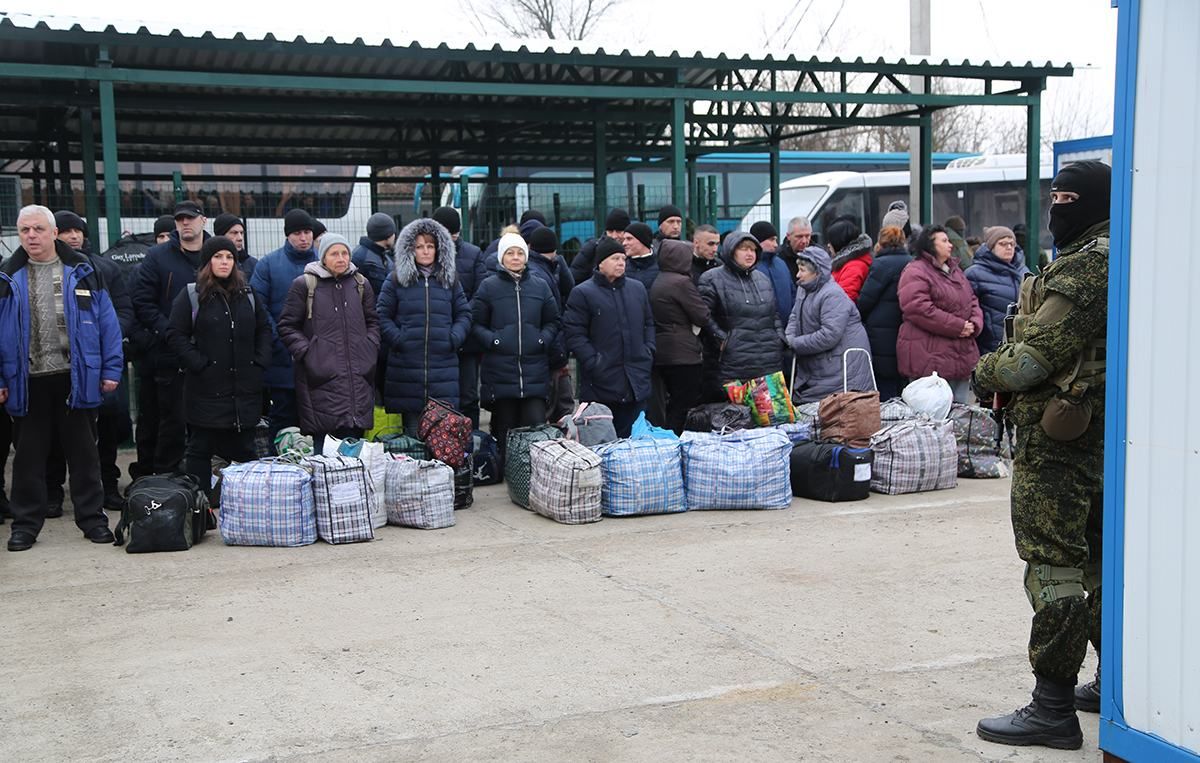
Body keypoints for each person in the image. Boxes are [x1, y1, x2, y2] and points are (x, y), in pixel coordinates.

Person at [973, 160, 1111, 751]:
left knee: (1053, 566)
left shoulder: (1087, 267)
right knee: (1100, 565)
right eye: (1053, 195)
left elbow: (1028, 361)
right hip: (1098, 437)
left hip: (1060, 445)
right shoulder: (1116, 252)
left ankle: (1052, 707)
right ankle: (1116, 679)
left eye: (1069, 196)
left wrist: (984, 371)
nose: (1057, 206)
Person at [0, 206, 123, 551]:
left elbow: (107, 325)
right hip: (27, 380)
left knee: (84, 456)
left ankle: (93, 521)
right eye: (24, 230)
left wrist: (111, 370)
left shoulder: (83, 272)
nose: (31, 236)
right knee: (27, 459)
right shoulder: (6, 277)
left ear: (54, 232)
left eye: (38, 229)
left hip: (75, 377)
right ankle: (25, 526)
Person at [165, 236, 272, 504]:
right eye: (218, 257)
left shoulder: (248, 295)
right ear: (207, 262)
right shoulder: (191, 295)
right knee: (200, 449)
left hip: (244, 390)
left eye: (229, 258)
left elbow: (264, 330)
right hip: (205, 390)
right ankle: (201, 508)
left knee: (246, 450)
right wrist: (198, 363)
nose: (224, 262)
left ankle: (246, 505)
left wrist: (259, 362)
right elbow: (175, 335)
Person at [54, 210, 135, 512]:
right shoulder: (48, 268)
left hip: (99, 362)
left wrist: (106, 337)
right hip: (57, 364)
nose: (74, 236)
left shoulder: (104, 268)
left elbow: (124, 310)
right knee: (56, 429)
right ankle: (54, 491)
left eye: (78, 230)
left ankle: (109, 485)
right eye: (66, 231)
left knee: (109, 426)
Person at [277, 234, 379, 453]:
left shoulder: (361, 284)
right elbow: (287, 325)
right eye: (334, 253)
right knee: (324, 450)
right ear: (323, 257)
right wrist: (309, 353)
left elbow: (373, 321)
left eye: (344, 253)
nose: (341, 258)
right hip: (321, 378)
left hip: (357, 377)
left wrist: (369, 348)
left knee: (354, 450)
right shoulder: (305, 285)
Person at [131, 200, 210, 474]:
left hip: (210, 353)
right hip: (169, 354)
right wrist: (169, 333)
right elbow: (143, 302)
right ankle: (166, 480)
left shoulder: (216, 253)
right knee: (171, 423)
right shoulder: (157, 256)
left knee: (208, 422)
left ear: (203, 220)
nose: (185, 223)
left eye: (190, 218)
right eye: (180, 219)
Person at [377, 219, 471, 436]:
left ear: (439, 249)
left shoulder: (449, 280)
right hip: (407, 369)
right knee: (413, 439)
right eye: (419, 246)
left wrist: (453, 337)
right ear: (410, 249)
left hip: (443, 368)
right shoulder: (396, 280)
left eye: (430, 246)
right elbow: (381, 315)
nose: (425, 251)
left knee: (442, 439)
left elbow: (464, 314)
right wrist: (399, 339)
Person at [471, 233, 560, 454]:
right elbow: (476, 323)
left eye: (520, 253)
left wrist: (543, 339)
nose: (515, 257)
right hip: (501, 372)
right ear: (501, 257)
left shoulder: (540, 286)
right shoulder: (488, 287)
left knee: (536, 429)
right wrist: (493, 340)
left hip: (534, 371)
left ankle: (532, 474)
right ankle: (505, 473)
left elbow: (553, 320)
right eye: (510, 253)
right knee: (505, 429)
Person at [562, 238, 655, 437]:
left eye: (623, 258)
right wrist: (593, 361)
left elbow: (649, 323)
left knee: (635, 438)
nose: (621, 262)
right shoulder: (583, 293)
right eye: (615, 258)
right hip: (602, 382)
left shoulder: (637, 289)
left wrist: (648, 350)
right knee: (605, 441)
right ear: (600, 262)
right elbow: (574, 333)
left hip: (636, 377)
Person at [249, 208, 318, 438]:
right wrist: (281, 339)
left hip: (319, 360)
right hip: (282, 360)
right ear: (287, 235)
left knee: (317, 423)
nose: (303, 237)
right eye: (297, 232)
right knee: (282, 422)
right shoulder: (268, 264)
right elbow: (258, 306)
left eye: (307, 232)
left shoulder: (324, 263)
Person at [896, 225, 983, 403]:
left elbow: (971, 299)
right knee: (933, 418)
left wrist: (974, 323)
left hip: (961, 354)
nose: (950, 245)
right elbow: (917, 308)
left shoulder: (955, 270)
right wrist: (958, 326)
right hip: (930, 358)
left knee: (959, 415)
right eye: (944, 241)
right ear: (930, 245)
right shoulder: (916, 271)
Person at [697, 231, 785, 391]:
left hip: (767, 360)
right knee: (735, 413)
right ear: (731, 251)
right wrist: (722, 339)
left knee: (769, 414)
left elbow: (774, 313)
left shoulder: (762, 279)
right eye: (744, 249)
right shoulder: (711, 278)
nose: (749, 253)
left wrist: (779, 338)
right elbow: (703, 315)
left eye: (753, 249)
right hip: (732, 362)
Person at [785, 246, 875, 403]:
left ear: (817, 272)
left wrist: (795, 343)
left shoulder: (832, 294)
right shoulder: (804, 289)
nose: (798, 275)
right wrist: (789, 336)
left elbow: (829, 335)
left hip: (842, 368)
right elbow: (794, 315)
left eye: (802, 270)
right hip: (822, 365)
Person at [650, 240, 714, 434]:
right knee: (684, 404)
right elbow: (702, 315)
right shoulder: (681, 282)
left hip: (663, 350)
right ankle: (676, 442)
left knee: (672, 404)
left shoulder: (660, 279)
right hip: (683, 353)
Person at [856, 226, 912, 401]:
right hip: (903, 327)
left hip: (881, 332)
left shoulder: (880, 264)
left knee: (884, 383)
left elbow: (866, 299)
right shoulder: (912, 262)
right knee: (901, 381)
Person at [965, 226, 1031, 355]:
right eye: (1002, 244)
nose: (1009, 247)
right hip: (989, 346)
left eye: (1012, 244)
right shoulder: (974, 274)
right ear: (991, 247)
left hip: (1021, 344)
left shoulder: (1024, 270)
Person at [749, 220, 795, 325]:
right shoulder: (750, 266)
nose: (775, 244)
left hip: (786, 328)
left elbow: (792, 293)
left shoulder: (781, 264)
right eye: (771, 240)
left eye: (776, 240)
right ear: (758, 241)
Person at [570, 208, 631, 284]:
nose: (614, 236)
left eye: (619, 231)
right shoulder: (592, 248)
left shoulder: (633, 250)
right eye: (610, 231)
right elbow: (575, 276)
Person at [825, 217, 874, 303]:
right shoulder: (846, 262)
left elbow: (845, 299)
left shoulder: (854, 266)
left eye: (831, 241)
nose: (828, 245)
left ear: (839, 241)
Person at [351, 212, 398, 300]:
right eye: (393, 233)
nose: (394, 236)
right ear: (387, 235)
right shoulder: (360, 258)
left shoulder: (383, 255)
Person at [212, 212, 258, 279]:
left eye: (241, 233)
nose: (240, 238)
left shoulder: (253, 264)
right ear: (221, 235)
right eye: (234, 233)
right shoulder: (210, 263)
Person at [621, 222, 660, 291]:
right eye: (624, 239)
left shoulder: (662, 266)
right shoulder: (621, 267)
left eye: (629, 239)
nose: (624, 243)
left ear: (643, 240)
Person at [777, 216, 813, 281]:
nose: (804, 241)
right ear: (788, 236)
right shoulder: (779, 257)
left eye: (807, 236)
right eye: (799, 236)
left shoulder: (818, 256)